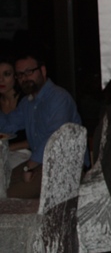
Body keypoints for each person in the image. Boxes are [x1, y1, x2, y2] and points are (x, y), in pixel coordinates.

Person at [0, 53, 87, 198]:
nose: (24, 78)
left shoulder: (58, 97)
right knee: (2, 183)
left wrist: (29, 167)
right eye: (20, 75)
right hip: (41, 164)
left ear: (43, 71)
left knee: (7, 198)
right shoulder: (28, 102)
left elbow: (53, 139)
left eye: (29, 72)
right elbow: (8, 125)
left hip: (63, 167)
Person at [0, 56, 30, 169]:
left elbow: (38, 138)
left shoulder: (27, 100)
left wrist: (7, 148)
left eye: (6, 74)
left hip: (25, 154)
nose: (1, 79)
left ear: (16, 76)